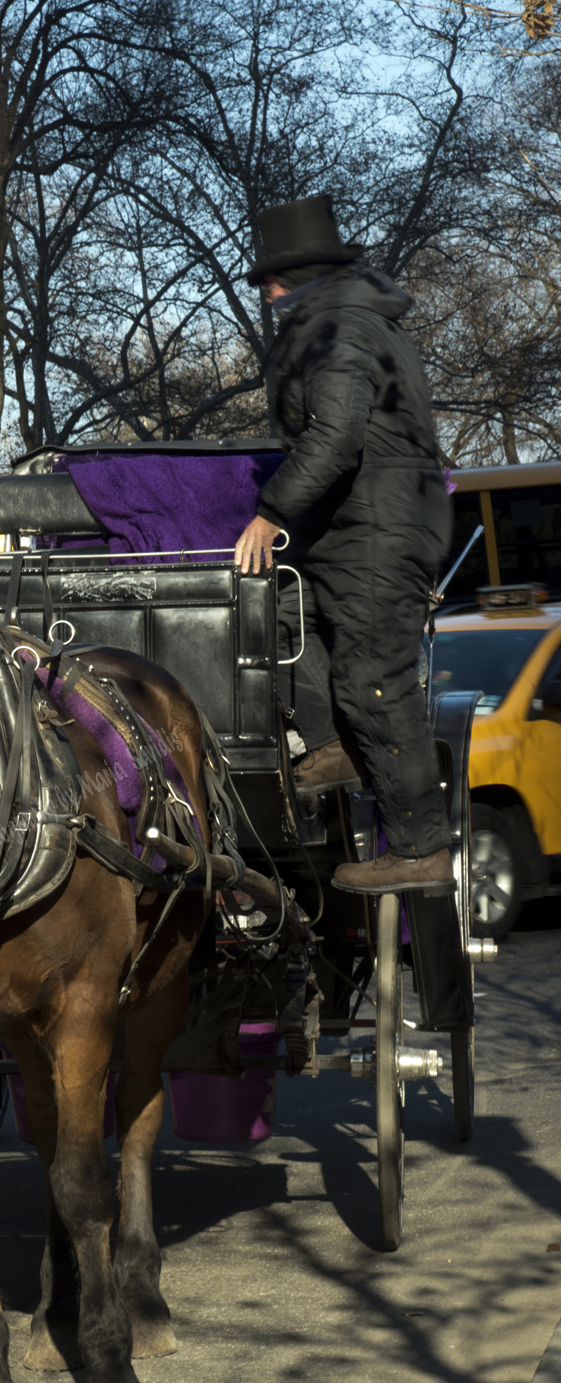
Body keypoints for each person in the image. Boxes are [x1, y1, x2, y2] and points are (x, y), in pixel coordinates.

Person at [233, 194, 454, 895]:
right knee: (279, 610)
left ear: (300, 276)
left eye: (271, 276)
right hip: (360, 525)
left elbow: (336, 436)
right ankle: (336, 745)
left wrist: (270, 513)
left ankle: (420, 846)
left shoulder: (336, 330)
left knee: (375, 679)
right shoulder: (338, 322)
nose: (264, 289)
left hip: (375, 530)